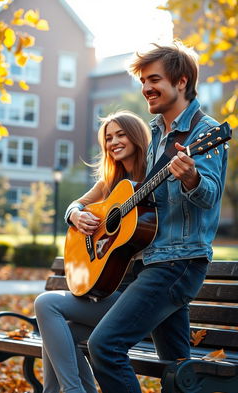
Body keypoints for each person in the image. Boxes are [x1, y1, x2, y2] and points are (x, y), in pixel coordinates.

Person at [86, 41, 229, 393]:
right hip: (154, 261)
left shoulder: (203, 132)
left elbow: (210, 196)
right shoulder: (153, 134)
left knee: (104, 346)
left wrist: (192, 177)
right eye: (143, 81)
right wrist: (79, 211)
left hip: (177, 263)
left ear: (181, 82)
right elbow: (127, 192)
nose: (146, 88)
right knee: (180, 371)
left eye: (154, 79)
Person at [34, 110, 151, 393]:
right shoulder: (108, 185)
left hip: (132, 300)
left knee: (46, 303)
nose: (113, 142)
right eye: (108, 138)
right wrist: (75, 215)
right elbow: (74, 205)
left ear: (136, 136)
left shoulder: (152, 178)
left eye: (121, 134)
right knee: (60, 334)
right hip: (107, 295)